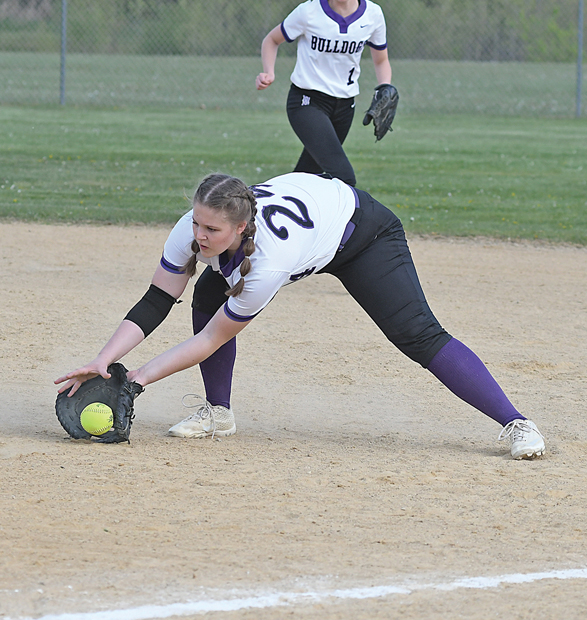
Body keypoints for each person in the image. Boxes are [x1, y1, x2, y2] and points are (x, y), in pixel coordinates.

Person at [56, 171, 545, 461]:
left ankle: (517, 424)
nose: (200, 236)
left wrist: (136, 380)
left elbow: (209, 341)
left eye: (212, 230)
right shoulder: (194, 228)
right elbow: (157, 300)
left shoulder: (266, 265)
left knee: (418, 334)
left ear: (241, 227)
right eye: (198, 223)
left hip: (363, 234)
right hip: (314, 216)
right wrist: (104, 360)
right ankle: (218, 413)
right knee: (207, 291)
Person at [255, 0, 393, 187]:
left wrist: (385, 87)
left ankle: (263, 205)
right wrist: (269, 72)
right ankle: (352, 219)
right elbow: (271, 40)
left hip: (345, 106)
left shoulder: (373, 15)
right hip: (307, 102)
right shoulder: (309, 12)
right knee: (343, 177)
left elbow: (381, 59)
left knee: (307, 177)